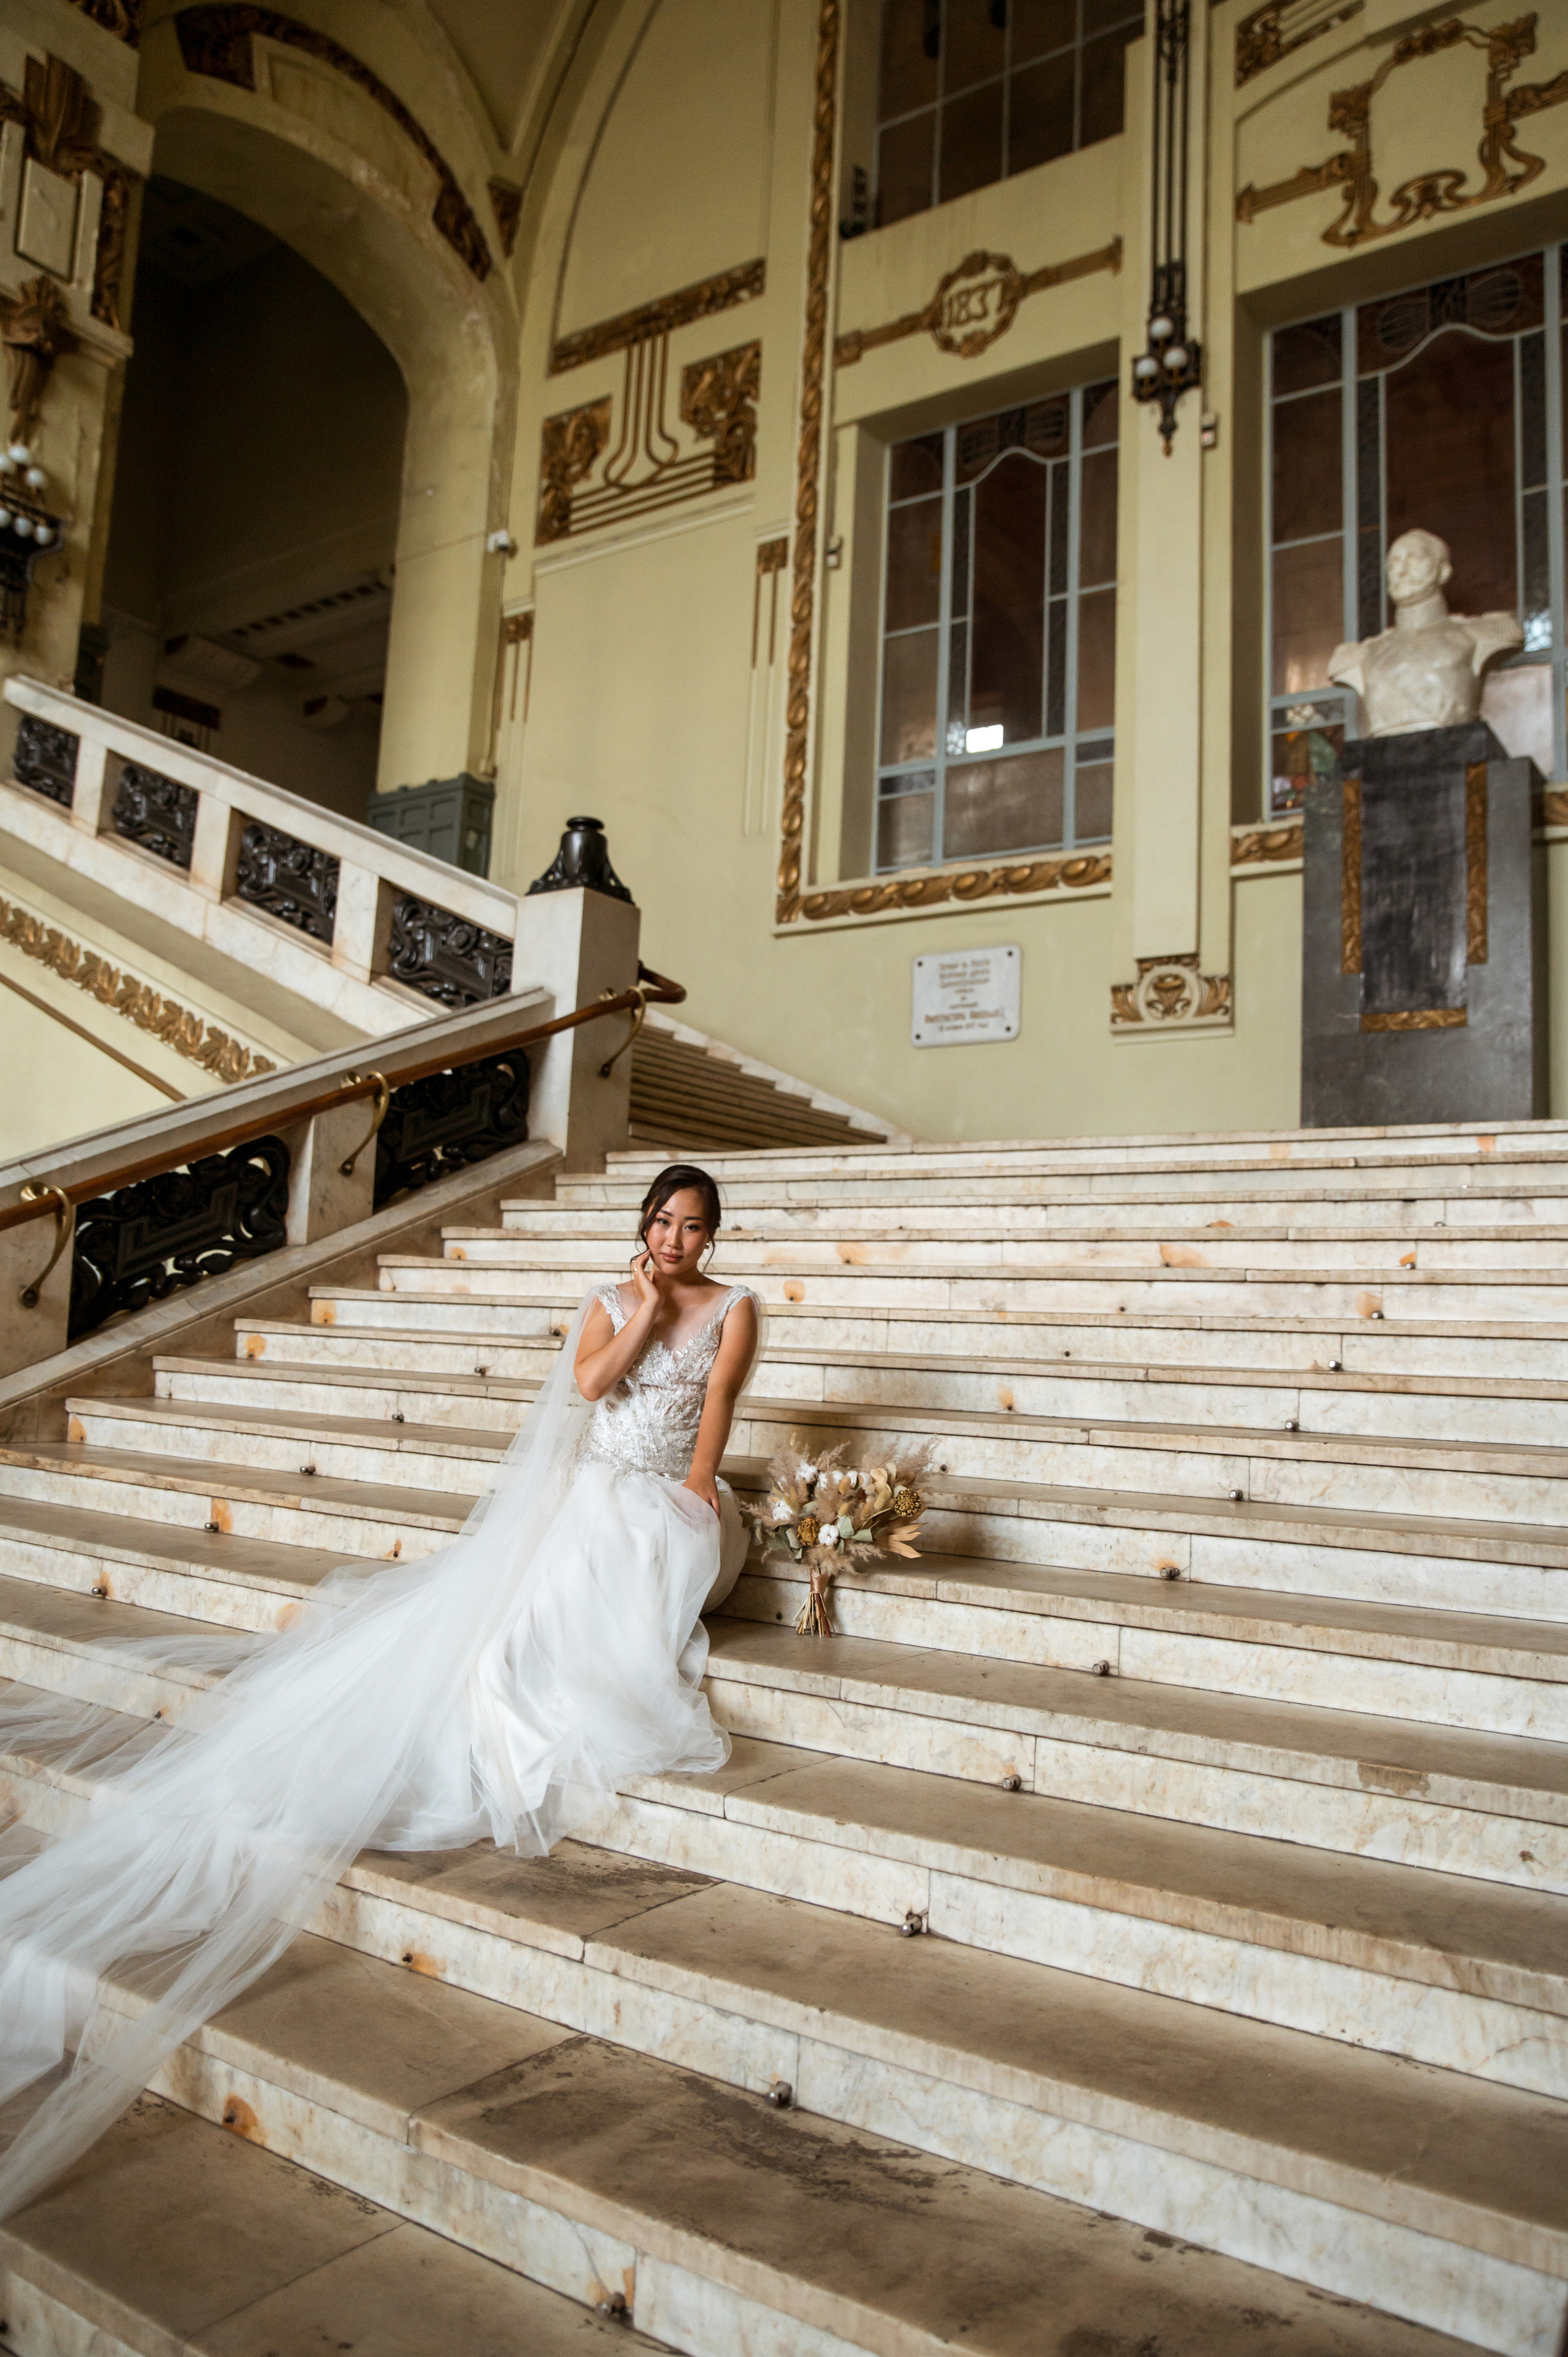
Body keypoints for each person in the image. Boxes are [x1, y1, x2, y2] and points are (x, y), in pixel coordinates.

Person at [0, 1163, 760, 2219]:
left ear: (715, 1237)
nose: (678, 1239)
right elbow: (591, 1391)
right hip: (593, 1490)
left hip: (667, 1494)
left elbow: (715, 1408)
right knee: (528, 1638)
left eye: (695, 1228)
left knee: (650, 1573)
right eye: (664, 1223)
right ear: (645, 1228)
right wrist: (637, 1308)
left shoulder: (736, 1310)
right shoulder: (609, 1299)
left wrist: (689, 1512)